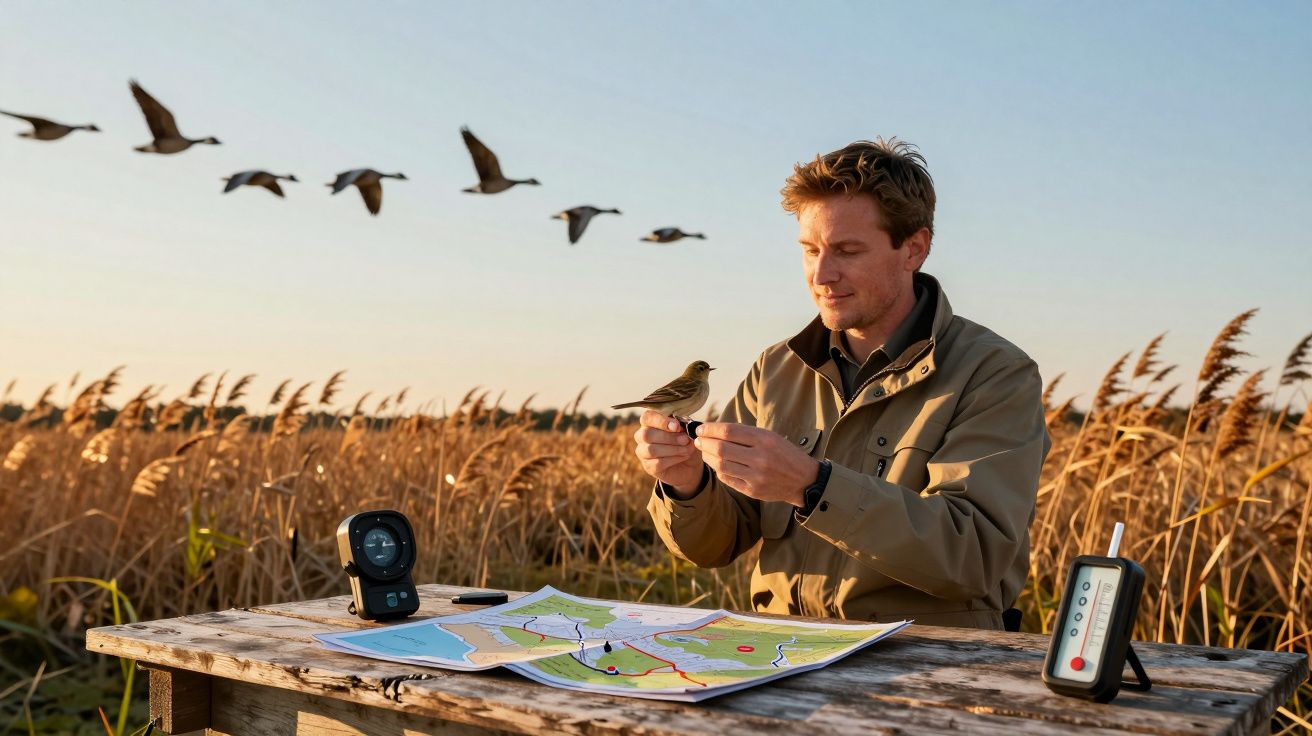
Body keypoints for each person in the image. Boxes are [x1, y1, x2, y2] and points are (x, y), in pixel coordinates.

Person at [637, 137, 1051, 629]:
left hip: (928, 668)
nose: (822, 274)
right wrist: (687, 486)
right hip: (780, 656)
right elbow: (715, 545)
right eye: (809, 250)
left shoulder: (994, 374)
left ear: (914, 249)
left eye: (847, 251)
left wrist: (812, 487)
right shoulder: (775, 370)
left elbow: (975, 556)